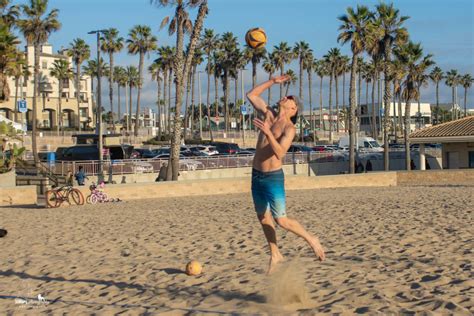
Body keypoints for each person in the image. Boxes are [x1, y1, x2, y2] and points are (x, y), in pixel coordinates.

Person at [246, 75, 325, 274]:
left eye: (289, 97)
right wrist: (272, 81)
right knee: (263, 217)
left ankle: (311, 238)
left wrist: (268, 132)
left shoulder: (290, 128)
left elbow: (280, 153)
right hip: (256, 175)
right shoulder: (269, 114)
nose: (285, 97)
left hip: (273, 178)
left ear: (293, 108)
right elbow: (252, 95)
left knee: (281, 221)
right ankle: (275, 254)